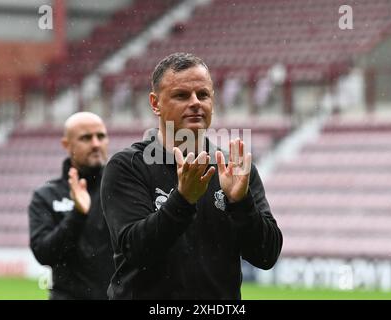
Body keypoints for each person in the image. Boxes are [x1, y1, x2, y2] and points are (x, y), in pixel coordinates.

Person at [101, 52, 283, 299]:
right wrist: (183, 200)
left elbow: (266, 255)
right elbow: (135, 251)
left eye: (203, 94)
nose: (196, 102)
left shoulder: (234, 168)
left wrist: (241, 203)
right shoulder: (127, 166)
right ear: (155, 103)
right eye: (181, 95)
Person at [28, 112, 115, 300]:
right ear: (66, 145)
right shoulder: (46, 195)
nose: (96, 144)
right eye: (86, 137)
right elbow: (44, 254)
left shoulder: (122, 190)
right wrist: (77, 214)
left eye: (101, 136)